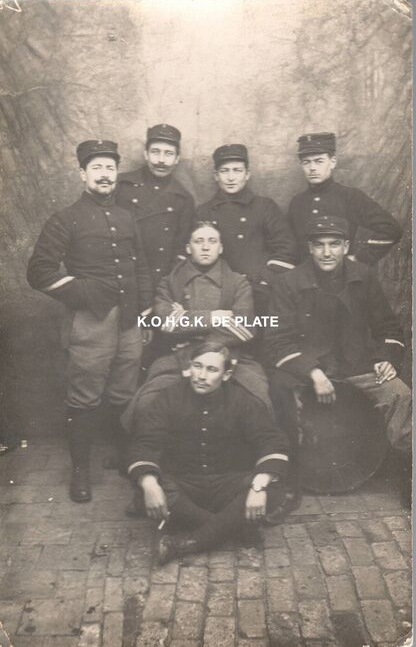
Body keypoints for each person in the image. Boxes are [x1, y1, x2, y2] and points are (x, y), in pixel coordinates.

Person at [27, 140, 153, 503]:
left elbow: (141, 265)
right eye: (96, 168)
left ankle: (125, 456)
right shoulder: (65, 218)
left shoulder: (127, 217)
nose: (104, 175)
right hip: (90, 323)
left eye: (110, 168)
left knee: (125, 391)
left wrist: (144, 311)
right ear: (83, 174)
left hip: (129, 321)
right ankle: (80, 471)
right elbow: (39, 272)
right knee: (84, 397)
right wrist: (85, 292)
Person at [265, 215, 411, 506]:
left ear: (346, 246)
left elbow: (388, 328)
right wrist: (313, 372)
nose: (327, 252)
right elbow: (277, 340)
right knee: (278, 397)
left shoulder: (363, 276)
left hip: (356, 365)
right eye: (319, 245)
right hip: (303, 369)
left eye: (334, 244)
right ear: (310, 248)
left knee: (400, 394)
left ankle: (411, 473)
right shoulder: (288, 283)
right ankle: (286, 479)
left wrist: (386, 358)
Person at [127, 342, 290, 564]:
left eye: (212, 369)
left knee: (274, 488)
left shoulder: (242, 400)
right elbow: (145, 442)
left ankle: (186, 543)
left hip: (228, 484)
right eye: (197, 366)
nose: (201, 376)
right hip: (184, 484)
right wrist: (149, 485)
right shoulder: (168, 397)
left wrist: (259, 487)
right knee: (145, 491)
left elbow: (271, 440)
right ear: (189, 367)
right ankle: (236, 527)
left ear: (226, 374)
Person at [121, 220, 272, 432]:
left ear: (220, 248)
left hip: (229, 357)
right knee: (147, 403)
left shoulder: (238, 282)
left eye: (212, 241)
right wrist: (215, 317)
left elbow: (245, 328)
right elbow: (166, 323)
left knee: (258, 398)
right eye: (199, 241)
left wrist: (186, 319)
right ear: (188, 248)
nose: (205, 247)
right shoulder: (169, 283)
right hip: (179, 356)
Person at [196, 144, 296, 314]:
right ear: (216, 176)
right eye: (224, 171)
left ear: (247, 174)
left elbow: (286, 249)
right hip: (219, 294)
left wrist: (265, 279)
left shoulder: (265, 207)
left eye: (237, 170)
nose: (231, 178)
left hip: (260, 292)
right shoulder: (203, 212)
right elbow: (197, 255)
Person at [288, 132, 402, 264]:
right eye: (306, 162)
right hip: (304, 275)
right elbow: (291, 245)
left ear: (332, 162)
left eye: (319, 161)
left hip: (343, 274)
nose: (312, 168)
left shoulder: (350, 197)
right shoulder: (297, 202)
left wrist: (360, 258)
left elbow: (391, 229)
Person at [116, 124, 195, 291]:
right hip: (122, 278)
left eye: (168, 153)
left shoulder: (183, 199)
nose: (161, 160)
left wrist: (167, 289)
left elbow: (180, 250)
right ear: (146, 154)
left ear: (177, 158)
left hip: (158, 283)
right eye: (155, 152)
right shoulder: (122, 185)